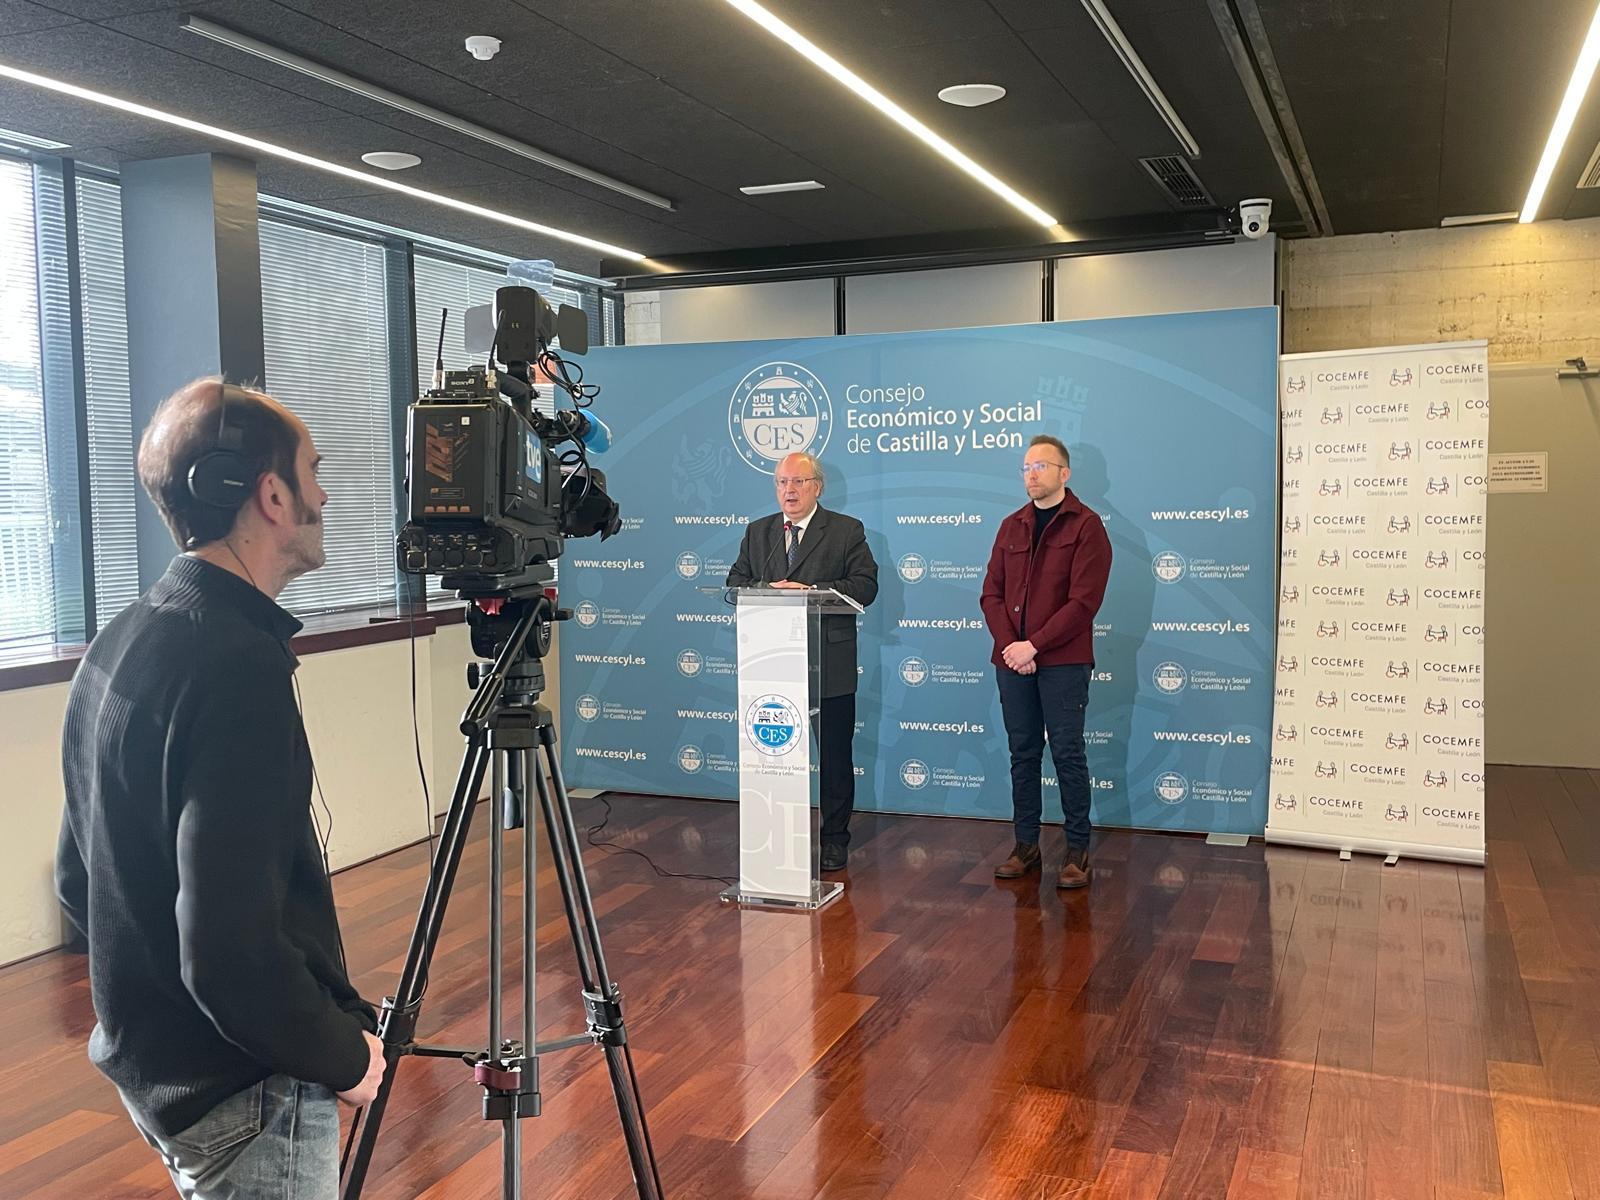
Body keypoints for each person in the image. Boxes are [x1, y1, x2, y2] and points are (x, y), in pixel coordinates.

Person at [55, 378, 385, 1199]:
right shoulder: (235, 669)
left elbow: (77, 877)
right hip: (244, 1091)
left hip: (159, 1074)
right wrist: (346, 1058)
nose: (323, 495)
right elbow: (231, 956)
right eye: (312, 472)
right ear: (270, 495)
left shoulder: (126, 633)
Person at [726, 452, 878, 872]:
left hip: (829, 664)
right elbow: (735, 583)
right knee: (774, 757)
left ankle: (834, 840)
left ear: (817, 487)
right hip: (771, 665)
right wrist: (768, 588)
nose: (788, 490)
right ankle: (777, 836)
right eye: (782, 482)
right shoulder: (759, 532)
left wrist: (810, 590)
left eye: (798, 482)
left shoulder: (846, 530)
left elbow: (865, 585)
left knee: (833, 758)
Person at [979, 435, 1113, 888]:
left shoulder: (1086, 526)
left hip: (1063, 662)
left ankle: (1077, 851)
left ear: (1064, 473)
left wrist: (1033, 645)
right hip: (1012, 661)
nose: (1032, 474)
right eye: (1026, 467)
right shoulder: (1011, 526)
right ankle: (1026, 846)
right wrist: (1012, 648)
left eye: (1041, 466)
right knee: (1023, 754)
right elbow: (991, 594)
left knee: (1067, 753)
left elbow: (1083, 602)